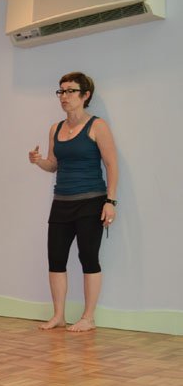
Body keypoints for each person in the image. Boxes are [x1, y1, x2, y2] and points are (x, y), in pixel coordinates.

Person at [28, 71, 119, 332]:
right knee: (55, 259)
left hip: (91, 201)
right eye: (61, 91)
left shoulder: (98, 126)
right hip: (62, 201)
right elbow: (53, 165)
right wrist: (38, 162)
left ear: (85, 95)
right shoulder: (55, 129)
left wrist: (110, 201)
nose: (64, 97)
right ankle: (59, 315)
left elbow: (112, 165)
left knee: (88, 258)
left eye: (70, 91)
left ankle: (88, 318)